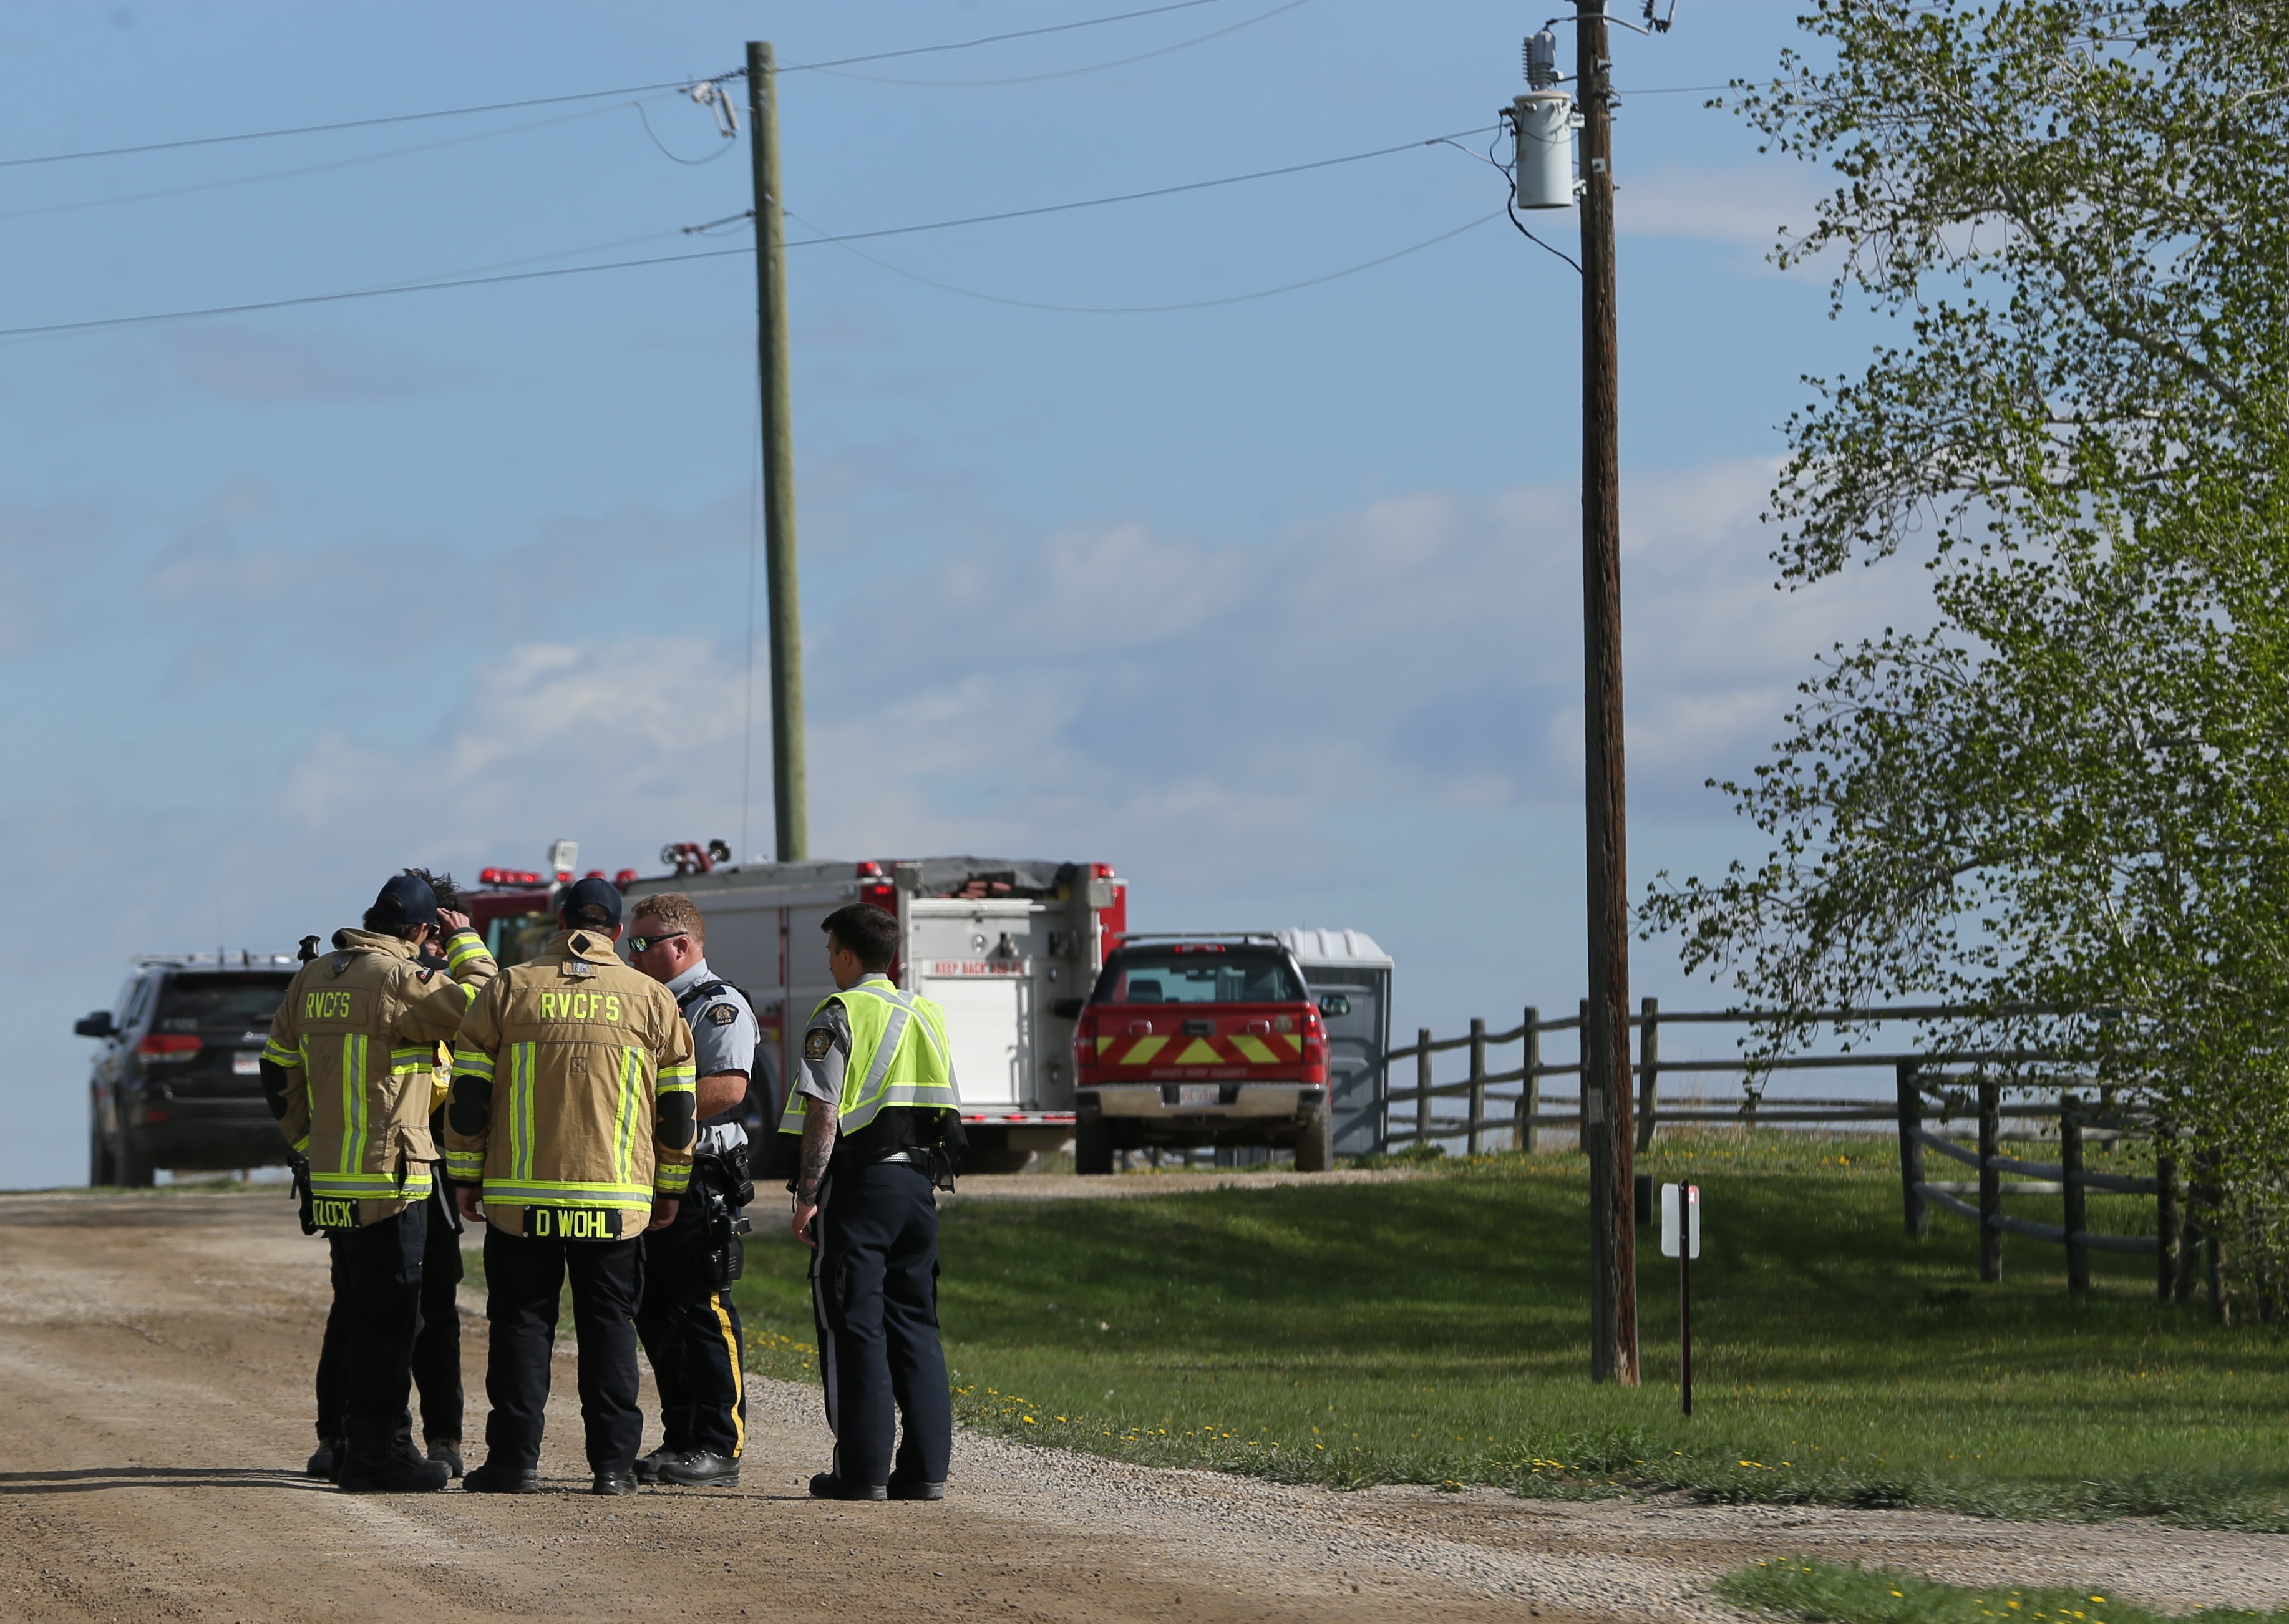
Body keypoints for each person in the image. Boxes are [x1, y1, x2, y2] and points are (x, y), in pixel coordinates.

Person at [444, 877, 697, 1496]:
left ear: (560, 921)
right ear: (617, 931)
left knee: (522, 1327)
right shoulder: (651, 997)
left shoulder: (509, 987)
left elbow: (469, 1094)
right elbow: (678, 1110)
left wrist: (465, 1175)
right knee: (609, 1329)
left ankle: (513, 1462)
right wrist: (671, 1186)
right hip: (616, 1201)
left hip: (519, 1201)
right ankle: (613, 1467)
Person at [258, 871, 497, 1494]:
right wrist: (467, 943)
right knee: (392, 1320)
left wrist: (308, 1143)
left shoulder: (314, 977)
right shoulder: (398, 978)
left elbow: (276, 1068)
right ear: (421, 929)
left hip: (333, 1179)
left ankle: (348, 1443)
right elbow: (487, 1005)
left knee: (358, 1311)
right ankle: (379, 1450)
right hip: (390, 1179)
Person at [781, 902, 963, 1502]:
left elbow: (823, 1108)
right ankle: (925, 1472)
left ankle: (860, 1472)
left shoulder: (838, 1012)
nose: (828, 961)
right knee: (916, 1325)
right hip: (917, 1186)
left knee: (852, 1323)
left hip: (859, 1186)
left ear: (846, 955)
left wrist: (808, 1193)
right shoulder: (925, 1012)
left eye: (830, 950)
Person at [626, 893, 763, 1489]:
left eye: (641, 944)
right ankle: (682, 1436)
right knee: (657, 1310)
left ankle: (718, 1443)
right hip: (651, 1173)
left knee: (704, 1307)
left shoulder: (717, 1006)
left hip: (701, 1176)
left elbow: (727, 1088)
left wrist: (639, 1112)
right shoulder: (649, 1001)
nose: (631, 955)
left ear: (680, 945)